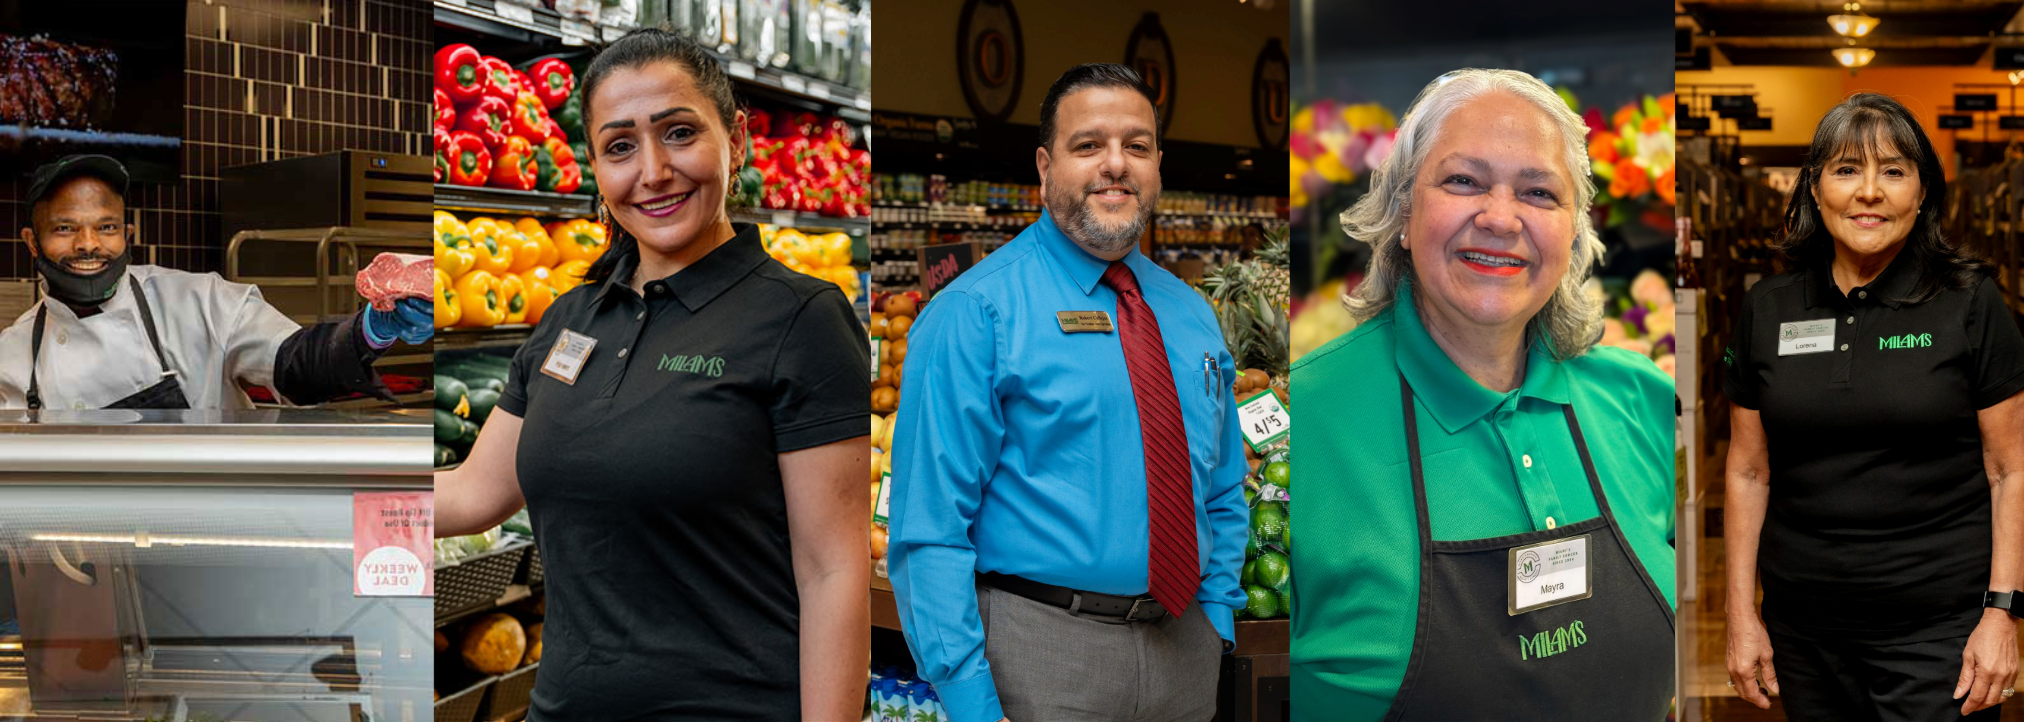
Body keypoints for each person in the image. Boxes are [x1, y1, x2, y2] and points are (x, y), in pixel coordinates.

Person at [431, 28, 872, 722]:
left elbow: (834, 575)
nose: (654, 172)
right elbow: (469, 494)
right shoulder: (568, 319)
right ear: (597, 168)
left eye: (679, 133)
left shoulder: (801, 319)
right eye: (620, 146)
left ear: (738, 139)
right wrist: (320, 499)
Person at [1288, 68, 1678, 721]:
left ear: (1573, 231)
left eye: (1538, 192)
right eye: (1463, 181)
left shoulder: (1643, 401)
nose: (1500, 217)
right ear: (1402, 215)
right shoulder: (1307, 420)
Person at [888, 63, 1246, 722]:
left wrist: (1217, 617)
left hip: (1183, 653)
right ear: (1045, 166)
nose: (1115, 164)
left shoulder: (1190, 312)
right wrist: (970, 701)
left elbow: (1222, 484)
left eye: (1136, 146)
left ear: (1158, 165)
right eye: (1089, 146)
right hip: (1038, 654)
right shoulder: (975, 312)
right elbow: (929, 532)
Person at [1719, 92, 2024, 721]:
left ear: (1922, 193)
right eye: (1845, 170)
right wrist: (1739, 612)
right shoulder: (1769, 307)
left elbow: (2011, 471)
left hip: (1940, 633)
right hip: (1804, 634)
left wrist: (2002, 612)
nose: (1869, 192)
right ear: (1814, 188)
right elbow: (1748, 471)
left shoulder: (1969, 303)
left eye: (1893, 171)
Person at [0, 154, 432, 410]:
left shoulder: (199, 301)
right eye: (64, 229)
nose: (89, 244)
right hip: (85, 554)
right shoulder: (11, 358)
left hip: (210, 535)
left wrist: (371, 329)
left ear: (128, 236)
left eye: (107, 228)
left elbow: (297, 365)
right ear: (32, 243)